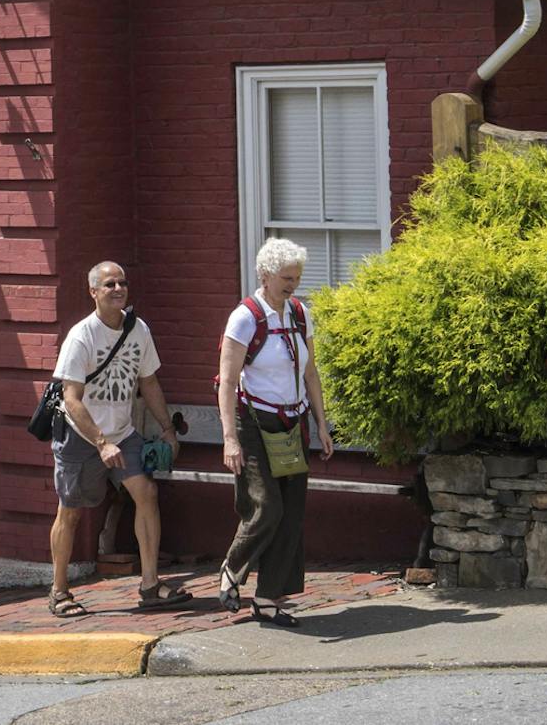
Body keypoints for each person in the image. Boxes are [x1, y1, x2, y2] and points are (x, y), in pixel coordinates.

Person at [47, 260, 188, 618]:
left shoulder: (138, 329)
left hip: (123, 434)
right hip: (81, 436)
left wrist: (167, 429)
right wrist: (100, 442)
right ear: (93, 292)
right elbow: (71, 398)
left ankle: (151, 585)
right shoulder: (82, 336)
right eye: (109, 284)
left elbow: (149, 382)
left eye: (122, 283)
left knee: (147, 493)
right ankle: (59, 590)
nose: (118, 289)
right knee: (71, 512)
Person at [215, 238, 333, 626]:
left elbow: (310, 372)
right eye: (286, 278)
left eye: (297, 277)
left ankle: (268, 599)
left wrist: (321, 422)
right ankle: (232, 567)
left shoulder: (300, 313)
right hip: (254, 424)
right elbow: (228, 381)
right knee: (267, 506)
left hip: (292, 424)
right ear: (265, 275)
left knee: (291, 514)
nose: (292, 285)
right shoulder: (245, 317)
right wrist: (230, 438)